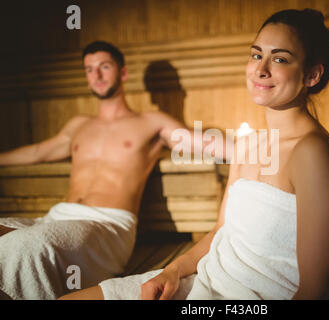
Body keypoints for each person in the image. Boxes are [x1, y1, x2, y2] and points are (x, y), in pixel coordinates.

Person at [60, 8, 329, 300]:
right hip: (205, 279)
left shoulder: (314, 152)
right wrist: (170, 272)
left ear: (312, 74)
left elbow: (316, 288)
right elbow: (219, 232)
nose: (261, 69)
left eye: (280, 59)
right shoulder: (249, 146)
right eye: (256, 54)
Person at [0, 41, 223, 300]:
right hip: (55, 218)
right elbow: (38, 152)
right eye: (89, 69)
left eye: (104, 66)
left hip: (106, 224)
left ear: (123, 73)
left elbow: (199, 141)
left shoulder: (150, 122)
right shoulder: (79, 125)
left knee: (26, 245)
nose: (97, 75)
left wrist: (257, 147)